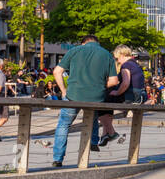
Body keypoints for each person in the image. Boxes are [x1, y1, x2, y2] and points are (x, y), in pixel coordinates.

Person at [50, 35, 119, 169]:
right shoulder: (106, 54)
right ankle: (93, 141)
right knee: (91, 114)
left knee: (64, 125)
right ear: (97, 43)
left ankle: (57, 159)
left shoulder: (74, 51)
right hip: (95, 97)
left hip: (73, 95)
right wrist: (98, 86)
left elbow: (57, 71)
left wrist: (63, 90)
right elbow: (114, 81)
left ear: (83, 43)